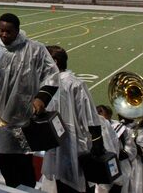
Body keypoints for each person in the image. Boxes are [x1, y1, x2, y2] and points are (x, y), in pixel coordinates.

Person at [0, 12, 59, 188]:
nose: (4, 35)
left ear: (18, 31)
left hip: (22, 118)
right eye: (1, 30)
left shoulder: (34, 49)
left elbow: (52, 75)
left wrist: (41, 99)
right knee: (3, 160)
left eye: (9, 31)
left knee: (23, 163)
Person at [42, 45, 107, 193]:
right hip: (62, 145)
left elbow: (90, 117)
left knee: (72, 182)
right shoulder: (51, 83)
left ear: (55, 62)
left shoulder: (74, 84)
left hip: (73, 145)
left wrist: (97, 142)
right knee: (66, 183)